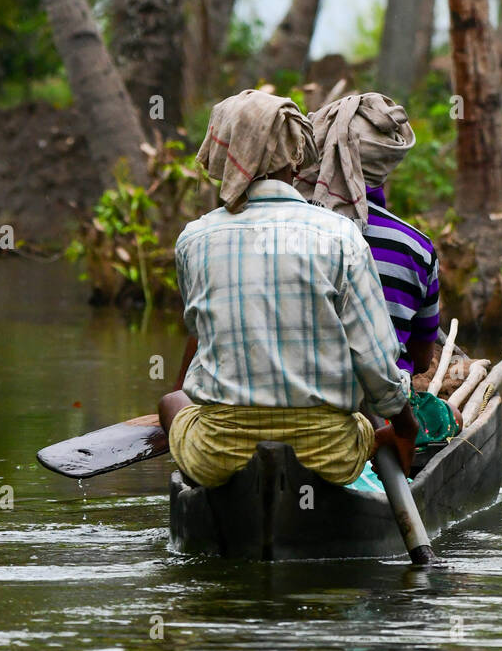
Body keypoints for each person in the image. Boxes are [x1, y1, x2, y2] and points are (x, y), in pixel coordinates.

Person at [158, 89, 418, 488]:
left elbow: (203, 335)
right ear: (296, 155)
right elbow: (378, 363)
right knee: (362, 427)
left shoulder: (194, 238)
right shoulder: (340, 234)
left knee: (172, 402)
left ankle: (206, 491)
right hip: (329, 456)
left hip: (221, 453)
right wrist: (404, 427)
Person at [297, 92, 443, 379]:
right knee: (453, 416)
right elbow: (422, 360)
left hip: (296, 396)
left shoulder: (283, 232)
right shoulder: (416, 247)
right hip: (387, 411)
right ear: (387, 163)